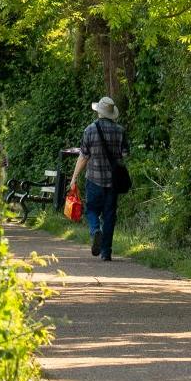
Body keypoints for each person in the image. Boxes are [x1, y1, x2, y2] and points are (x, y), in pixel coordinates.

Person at [79, 96, 129, 261]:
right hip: (113, 182)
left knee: (91, 210)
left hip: (93, 178)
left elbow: (84, 156)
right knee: (109, 215)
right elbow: (125, 154)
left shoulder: (89, 130)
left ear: (99, 112)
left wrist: (74, 178)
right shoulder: (120, 131)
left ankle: (95, 231)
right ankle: (106, 252)